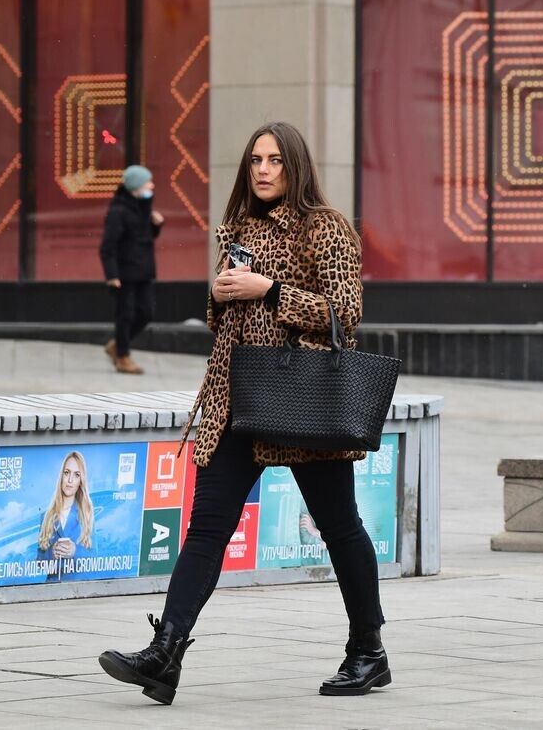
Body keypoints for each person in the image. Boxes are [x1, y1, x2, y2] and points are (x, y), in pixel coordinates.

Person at [98, 122, 386, 706]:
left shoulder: (326, 229)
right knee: (207, 527)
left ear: (295, 166)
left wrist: (268, 288)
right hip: (238, 397)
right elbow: (227, 317)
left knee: (340, 527)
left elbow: (345, 315)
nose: (262, 170)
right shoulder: (241, 228)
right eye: (255, 159)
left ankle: (368, 650)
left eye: (275, 160)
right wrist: (225, 293)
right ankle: (165, 655)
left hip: (302, 400)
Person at [99, 165, 165, 375]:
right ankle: (123, 356)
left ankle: (117, 345)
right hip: (124, 273)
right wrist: (112, 275)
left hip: (144, 271)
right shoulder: (118, 211)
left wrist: (156, 225)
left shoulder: (143, 205)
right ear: (136, 186)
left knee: (146, 312)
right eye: (148, 182)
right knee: (125, 315)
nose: (151, 186)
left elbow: (143, 238)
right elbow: (107, 246)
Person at [37, 451, 94, 583]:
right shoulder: (46, 516)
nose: (70, 480)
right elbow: (39, 562)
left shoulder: (87, 513)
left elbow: (95, 557)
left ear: (81, 481)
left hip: (78, 590)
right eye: (67, 473)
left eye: (76, 475)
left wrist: (75, 551)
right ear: (61, 476)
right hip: (51, 590)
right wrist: (52, 553)